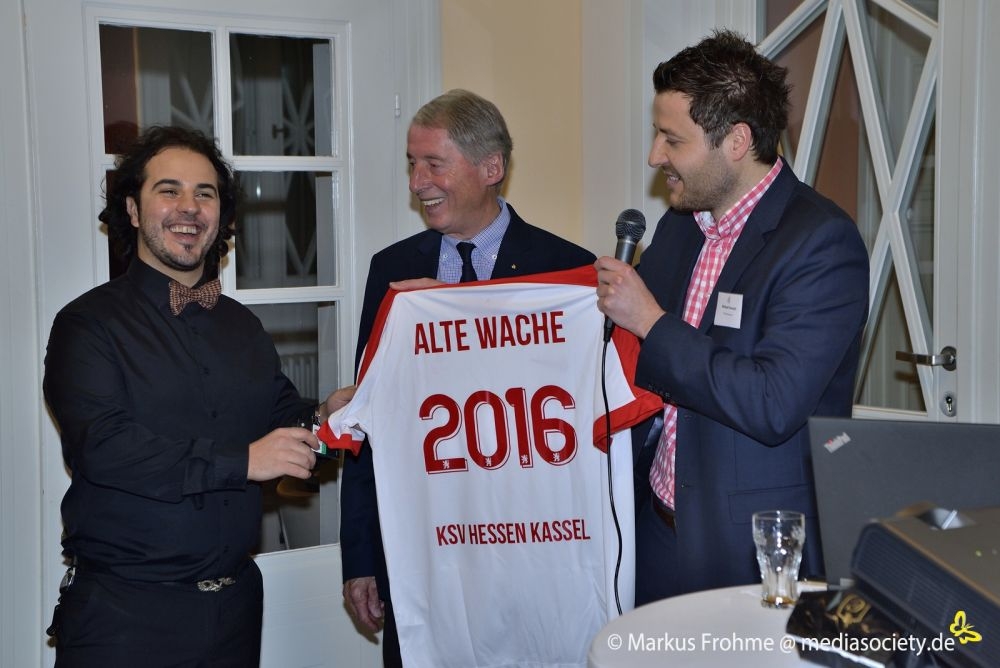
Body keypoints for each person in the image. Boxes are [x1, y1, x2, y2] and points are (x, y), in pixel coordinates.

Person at [43, 125, 351, 667]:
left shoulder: (243, 327)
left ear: (221, 216)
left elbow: (283, 418)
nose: (189, 207)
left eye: (205, 194)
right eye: (169, 190)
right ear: (132, 210)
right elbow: (104, 448)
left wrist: (328, 415)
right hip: (125, 617)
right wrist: (243, 461)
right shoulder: (86, 325)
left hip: (236, 610)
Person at [595, 30, 870, 605]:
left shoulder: (820, 242)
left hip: (750, 548)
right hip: (656, 526)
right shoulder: (681, 224)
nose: (655, 156)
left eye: (673, 139)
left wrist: (653, 323)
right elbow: (618, 321)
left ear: (738, 140)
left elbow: (772, 402)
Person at [339, 88, 596, 666]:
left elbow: (580, 424)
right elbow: (371, 417)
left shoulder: (566, 272)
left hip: (531, 553)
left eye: (434, 163)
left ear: (491, 168)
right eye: (412, 163)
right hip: (421, 554)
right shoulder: (392, 269)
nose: (417, 181)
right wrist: (360, 557)